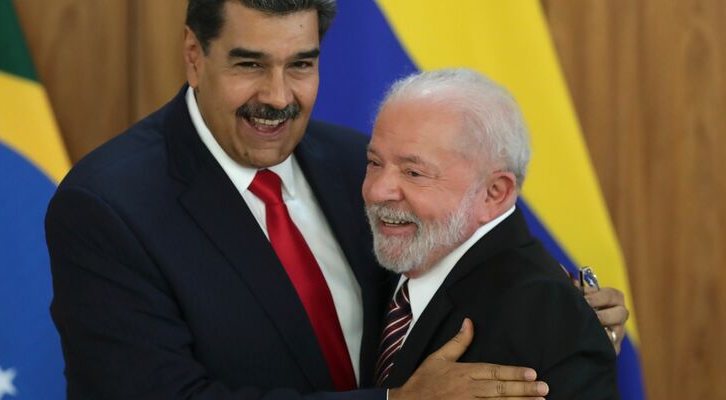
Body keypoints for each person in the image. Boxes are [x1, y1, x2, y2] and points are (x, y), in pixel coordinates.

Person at [46, 1, 627, 399]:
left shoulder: (360, 164)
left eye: (301, 64)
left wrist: (560, 316)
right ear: (195, 55)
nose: (277, 97)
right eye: (250, 65)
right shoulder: (108, 206)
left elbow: (481, 252)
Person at [363, 68, 619, 399]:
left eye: (414, 172)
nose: (378, 191)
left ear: (494, 193)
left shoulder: (543, 316)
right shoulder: (393, 254)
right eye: (373, 163)